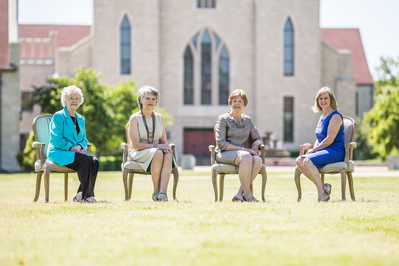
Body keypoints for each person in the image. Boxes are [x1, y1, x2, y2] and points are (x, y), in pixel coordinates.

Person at [47, 85, 99, 203]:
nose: (74, 101)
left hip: (76, 154)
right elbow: (56, 139)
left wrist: (80, 147)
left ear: (80, 101)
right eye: (71, 98)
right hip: (59, 152)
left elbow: (84, 139)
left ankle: (80, 195)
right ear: (65, 100)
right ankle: (88, 196)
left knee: (95, 161)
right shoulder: (59, 116)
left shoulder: (80, 119)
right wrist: (72, 148)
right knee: (85, 160)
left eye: (76, 98)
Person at [296, 87, 345, 202]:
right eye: (320, 98)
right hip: (325, 150)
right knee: (299, 160)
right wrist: (312, 147)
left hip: (336, 151)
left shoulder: (335, 116)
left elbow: (329, 139)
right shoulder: (322, 116)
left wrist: (314, 150)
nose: (323, 101)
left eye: (326, 98)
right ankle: (323, 188)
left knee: (307, 161)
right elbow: (319, 139)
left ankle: (321, 194)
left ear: (331, 100)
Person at [126, 85, 174, 202]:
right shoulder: (134, 118)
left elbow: (163, 141)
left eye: (154, 99)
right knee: (158, 152)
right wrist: (157, 146)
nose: (151, 101)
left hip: (156, 151)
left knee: (168, 154)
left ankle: (163, 194)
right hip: (138, 152)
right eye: (147, 98)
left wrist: (166, 147)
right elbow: (136, 145)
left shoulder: (160, 118)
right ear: (141, 100)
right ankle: (156, 192)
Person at [215, 89, 263, 202]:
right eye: (234, 101)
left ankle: (239, 195)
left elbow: (257, 138)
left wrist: (255, 146)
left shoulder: (247, 120)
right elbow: (221, 143)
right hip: (224, 153)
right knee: (246, 156)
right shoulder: (223, 119)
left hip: (244, 155)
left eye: (240, 101)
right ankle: (248, 194)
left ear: (244, 104)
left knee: (258, 160)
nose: (237, 103)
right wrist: (243, 149)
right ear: (230, 103)